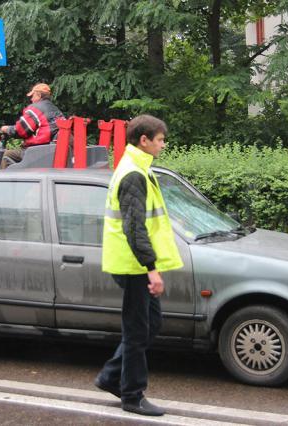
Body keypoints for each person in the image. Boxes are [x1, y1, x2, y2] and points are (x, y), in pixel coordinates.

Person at [95, 115, 183, 416]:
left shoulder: (137, 169)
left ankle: (110, 377)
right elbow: (135, 228)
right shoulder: (134, 174)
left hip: (133, 263)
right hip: (133, 266)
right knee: (137, 331)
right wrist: (152, 270)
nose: (163, 144)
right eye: (159, 139)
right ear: (143, 140)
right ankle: (132, 395)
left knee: (150, 325)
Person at [0, 83, 64, 166]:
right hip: (51, 150)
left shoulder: (35, 109)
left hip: (37, 151)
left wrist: (6, 129)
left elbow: (20, 130)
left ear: (39, 95)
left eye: (33, 96)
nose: (31, 99)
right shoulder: (56, 110)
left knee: (7, 154)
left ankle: (2, 178)